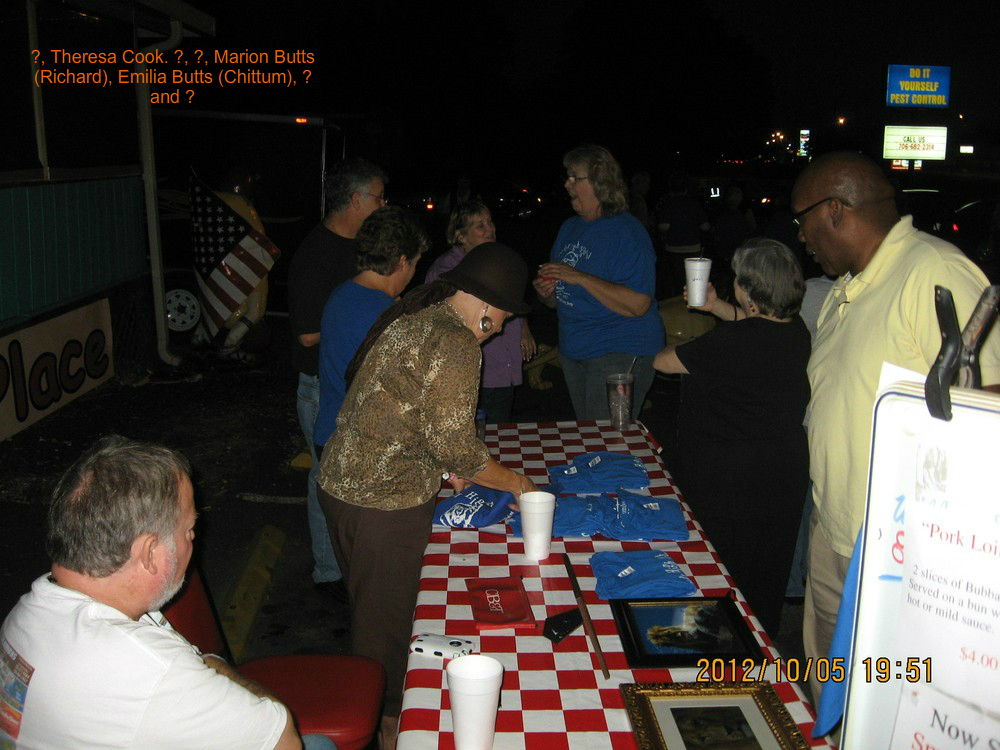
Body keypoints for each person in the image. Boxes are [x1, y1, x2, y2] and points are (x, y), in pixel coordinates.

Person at [792, 151, 1000, 706]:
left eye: (802, 220)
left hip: (900, 553)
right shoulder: (847, 288)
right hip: (834, 531)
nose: (801, 237)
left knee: (889, 703)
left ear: (834, 210)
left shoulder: (933, 271)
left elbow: (990, 401)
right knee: (831, 699)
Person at [316, 243, 539, 749]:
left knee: (371, 613)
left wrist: (443, 466)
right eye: (505, 315)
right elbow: (458, 446)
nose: (504, 326)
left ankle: (380, 712)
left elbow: (403, 409)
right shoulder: (457, 342)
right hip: (382, 505)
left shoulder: (419, 316)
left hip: (341, 486)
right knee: (386, 635)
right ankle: (390, 729)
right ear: (486, 304)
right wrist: (518, 483)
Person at [0, 435, 331, 750]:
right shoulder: (150, 670)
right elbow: (282, 740)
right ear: (149, 554)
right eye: (188, 530)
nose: (194, 539)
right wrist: (211, 666)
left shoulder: (27, 613)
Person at [653, 238, 810, 636]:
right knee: (765, 579)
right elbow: (759, 325)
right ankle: (760, 649)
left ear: (748, 289)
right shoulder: (797, 331)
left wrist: (690, 337)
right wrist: (716, 307)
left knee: (720, 576)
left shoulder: (727, 343)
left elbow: (664, 362)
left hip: (729, 482)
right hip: (782, 477)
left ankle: (718, 653)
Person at [288, 156, 387, 601]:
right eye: (378, 198)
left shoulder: (361, 247)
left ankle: (348, 565)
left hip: (354, 386)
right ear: (356, 200)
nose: (383, 205)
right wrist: (362, 321)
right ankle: (328, 572)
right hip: (320, 387)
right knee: (325, 482)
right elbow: (308, 333)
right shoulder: (315, 253)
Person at [534, 144, 665, 423]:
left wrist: (579, 277)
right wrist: (546, 293)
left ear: (599, 182)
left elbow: (638, 304)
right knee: (590, 434)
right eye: (567, 176)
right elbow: (557, 299)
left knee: (607, 438)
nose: (567, 184)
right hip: (575, 350)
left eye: (575, 177)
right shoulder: (569, 228)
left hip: (619, 348)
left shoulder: (628, 233)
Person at [313, 206, 429, 455]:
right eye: (415, 263)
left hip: (329, 432)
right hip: (363, 445)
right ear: (402, 262)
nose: (414, 272)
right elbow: (407, 391)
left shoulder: (340, 294)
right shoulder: (387, 315)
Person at [425, 201, 537, 423]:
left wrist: (523, 327)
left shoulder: (497, 260)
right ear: (461, 236)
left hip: (504, 370)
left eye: (490, 222)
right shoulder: (446, 272)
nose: (490, 229)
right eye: (480, 225)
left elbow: (512, 302)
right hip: (474, 374)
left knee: (500, 434)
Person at [656, 171, 710, 298]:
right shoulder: (694, 203)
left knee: (677, 282)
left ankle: (679, 303)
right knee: (693, 281)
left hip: (673, 249)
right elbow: (705, 226)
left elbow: (663, 226)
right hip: (693, 249)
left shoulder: (669, 204)